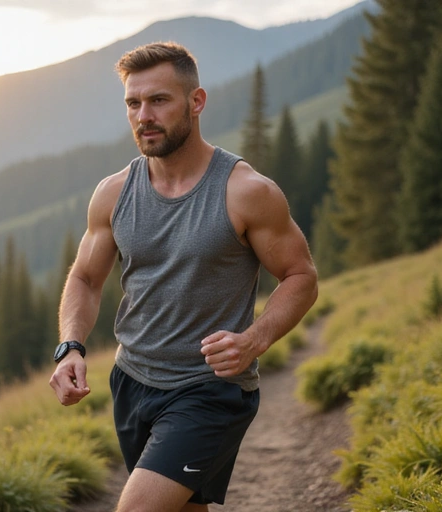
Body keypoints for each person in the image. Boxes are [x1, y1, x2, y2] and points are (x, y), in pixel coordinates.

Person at [49, 41, 318, 512]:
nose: (143, 116)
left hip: (210, 389)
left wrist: (254, 340)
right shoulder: (113, 193)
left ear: (196, 102)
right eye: (133, 103)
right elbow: (86, 280)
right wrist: (70, 345)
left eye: (159, 100)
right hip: (132, 382)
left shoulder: (245, 192)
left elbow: (301, 276)